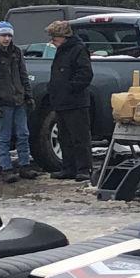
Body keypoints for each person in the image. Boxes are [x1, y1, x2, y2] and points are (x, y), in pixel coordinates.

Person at [0, 20, 38, 184]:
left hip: (18, 100)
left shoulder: (17, 52)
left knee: (23, 134)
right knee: (4, 137)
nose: (6, 39)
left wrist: (28, 95)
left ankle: (24, 166)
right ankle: (6, 168)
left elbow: (23, 75)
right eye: (3, 36)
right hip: (2, 102)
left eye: (8, 35)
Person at [45, 19, 93, 182]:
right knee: (64, 137)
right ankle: (68, 167)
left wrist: (69, 88)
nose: (52, 41)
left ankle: (84, 169)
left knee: (79, 137)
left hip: (76, 102)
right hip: (61, 102)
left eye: (55, 37)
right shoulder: (62, 50)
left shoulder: (78, 49)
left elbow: (85, 74)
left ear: (63, 36)